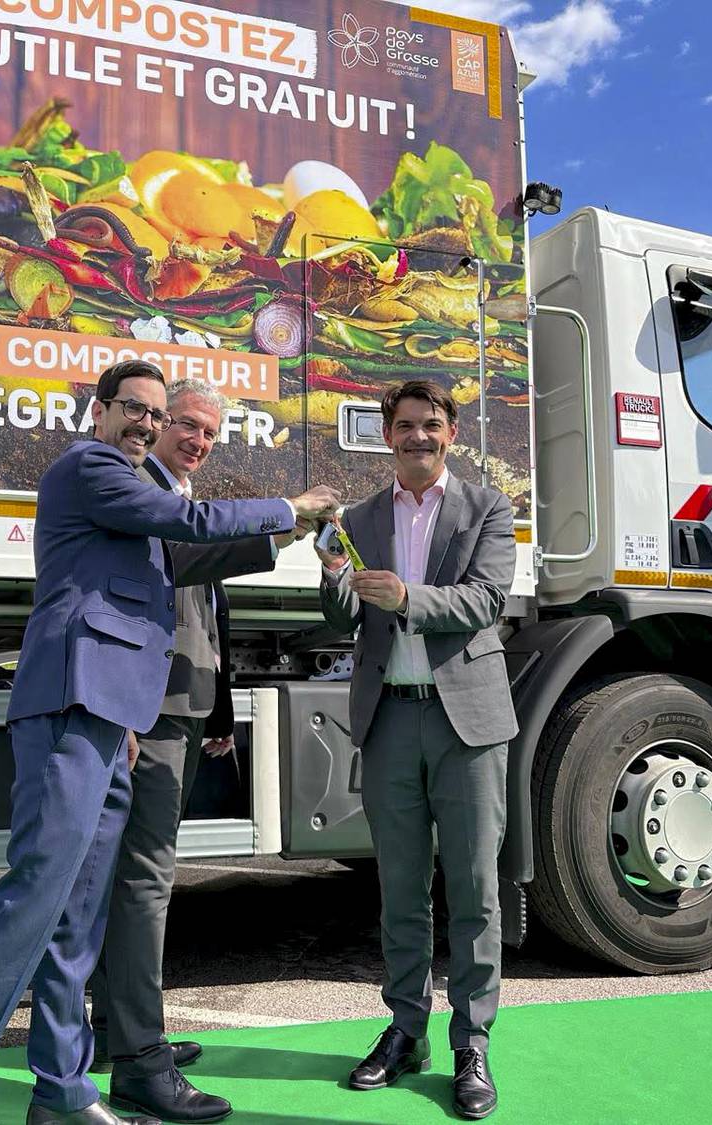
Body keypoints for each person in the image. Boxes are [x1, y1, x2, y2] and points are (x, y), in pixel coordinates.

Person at [0, 360, 341, 1125]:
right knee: (32, 906)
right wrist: (285, 503)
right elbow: (189, 528)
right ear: (99, 410)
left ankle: (64, 1093)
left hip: (109, 716)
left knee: (75, 921)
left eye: (155, 416)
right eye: (136, 409)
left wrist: (286, 532)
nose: (147, 425)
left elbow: (186, 559)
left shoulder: (127, 494)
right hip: (71, 704)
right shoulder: (90, 467)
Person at [88, 378, 308, 1123]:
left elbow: (202, 606)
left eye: (211, 432)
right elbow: (185, 557)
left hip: (178, 706)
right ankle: (139, 1062)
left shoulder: (169, 490)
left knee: (133, 880)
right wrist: (284, 522)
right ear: (151, 423)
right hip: (149, 713)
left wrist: (216, 705)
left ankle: (116, 1031)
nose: (198, 439)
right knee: (145, 881)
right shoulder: (144, 489)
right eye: (186, 424)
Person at [317, 379, 516, 1121]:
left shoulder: (487, 506)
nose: (417, 436)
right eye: (404, 426)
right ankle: (406, 1029)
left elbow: (488, 599)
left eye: (430, 424)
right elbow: (342, 613)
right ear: (386, 434)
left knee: (473, 890)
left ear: (451, 431)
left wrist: (407, 597)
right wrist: (334, 576)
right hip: (389, 719)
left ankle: (473, 1042)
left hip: (466, 720)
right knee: (401, 890)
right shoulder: (361, 516)